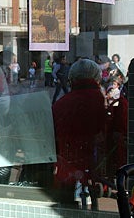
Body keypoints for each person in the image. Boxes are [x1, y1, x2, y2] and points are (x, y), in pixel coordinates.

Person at [51, 58, 127, 191]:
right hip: (98, 166)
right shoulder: (103, 101)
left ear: (72, 79)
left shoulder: (61, 104)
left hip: (67, 167)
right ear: (97, 78)